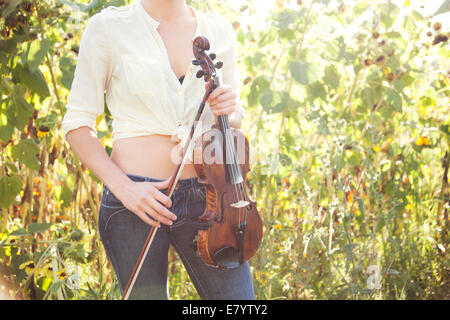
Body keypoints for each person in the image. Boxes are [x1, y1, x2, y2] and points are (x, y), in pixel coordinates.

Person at [61, 0, 255, 299]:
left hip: (211, 200)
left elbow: (234, 119)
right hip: (135, 200)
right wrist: (125, 189)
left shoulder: (218, 29)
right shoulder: (108, 28)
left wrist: (228, 108)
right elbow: (77, 124)